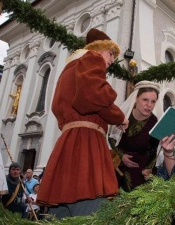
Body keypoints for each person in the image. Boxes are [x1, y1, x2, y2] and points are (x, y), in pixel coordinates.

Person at [36, 28, 129, 218]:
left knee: (61, 210)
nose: (112, 61)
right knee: (91, 207)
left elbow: (59, 106)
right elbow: (91, 95)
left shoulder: (67, 70)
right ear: (99, 50)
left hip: (67, 142)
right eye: (111, 54)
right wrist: (119, 117)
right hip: (87, 142)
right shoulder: (92, 58)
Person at [108, 81, 161, 192]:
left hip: (140, 168)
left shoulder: (154, 122)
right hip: (118, 165)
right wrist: (121, 155)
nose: (149, 105)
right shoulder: (123, 116)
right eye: (145, 100)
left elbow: (154, 150)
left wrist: (148, 169)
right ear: (136, 99)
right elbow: (111, 138)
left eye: (153, 101)